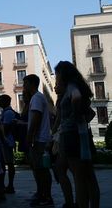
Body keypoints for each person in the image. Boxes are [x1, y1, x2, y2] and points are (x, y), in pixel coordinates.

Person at [54, 61, 100, 208]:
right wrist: (80, 119)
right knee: (89, 176)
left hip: (71, 136)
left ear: (63, 73)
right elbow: (89, 112)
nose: (57, 77)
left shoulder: (71, 87)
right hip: (82, 134)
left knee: (80, 178)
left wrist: (75, 115)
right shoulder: (76, 85)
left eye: (57, 74)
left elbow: (76, 97)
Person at [23, 74, 53, 207]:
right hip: (40, 138)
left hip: (39, 139)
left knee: (41, 170)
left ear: (31, 84)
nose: (23, 87)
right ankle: (41, 193)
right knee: (38, 169)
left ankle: (46, 196)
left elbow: (35, 119)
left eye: (25, 84)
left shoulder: (36, 98)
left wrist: (29, 138)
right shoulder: (37, 98)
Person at [51, 80, 75, 208]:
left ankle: (70, 201)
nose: (54, 87)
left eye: (57, 84)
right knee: (63, 170)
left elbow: (59, 119)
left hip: (64, 137)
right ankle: (71, 201)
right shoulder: (62, 99)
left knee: (61, 169)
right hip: (64, 136)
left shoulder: (65, 99)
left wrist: (53, 134)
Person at [0, 94, 17, 194]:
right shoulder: (5, 112)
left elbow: (5, 128)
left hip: (7, 141)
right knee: (5, 164)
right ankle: (5, 185)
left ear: (6, 101)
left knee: (9, 164)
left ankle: (10, 185)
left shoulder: (8, 113)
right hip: (7, 141)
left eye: (0, 100)